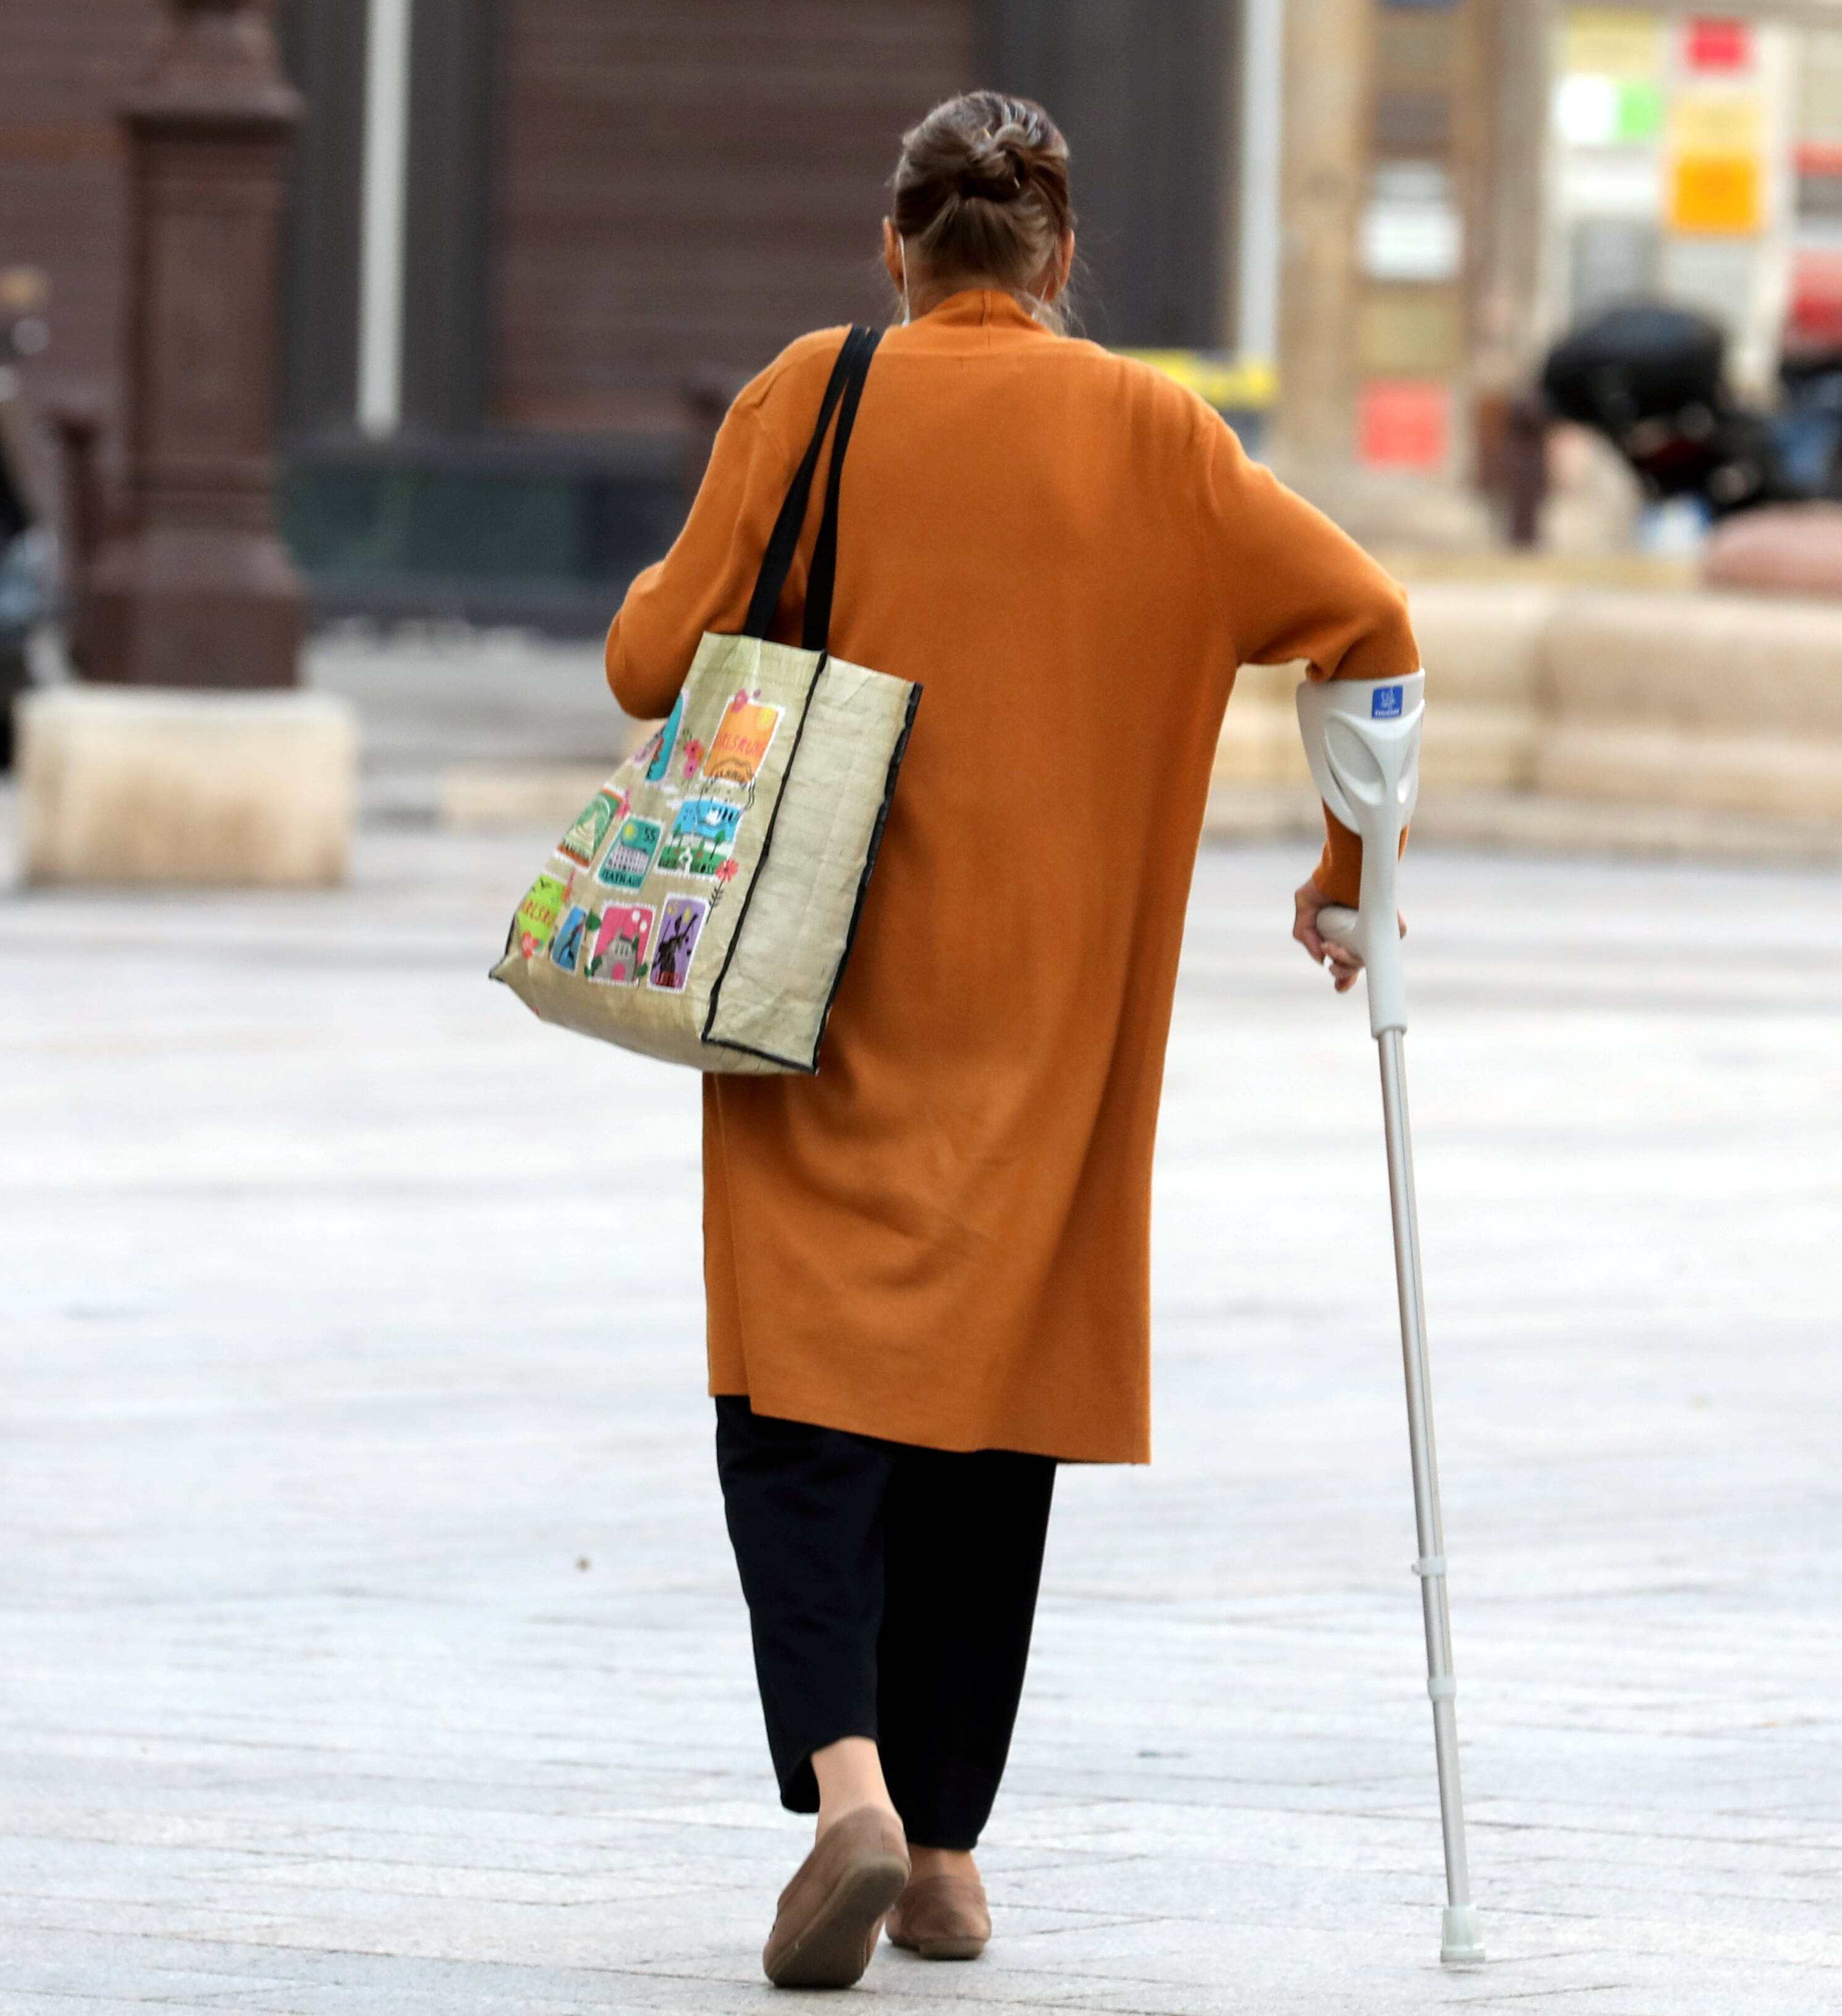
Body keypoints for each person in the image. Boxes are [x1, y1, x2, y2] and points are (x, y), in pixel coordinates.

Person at [604, 91, 1415, 1991]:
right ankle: (954, 1853)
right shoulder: (1152, 431)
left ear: (895, 246)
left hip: (813, 989)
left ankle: (852, 1789)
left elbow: (652, 664)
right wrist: (1336, 873)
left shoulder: (816, 389)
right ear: (1056, 261)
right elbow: (1367, 624)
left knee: (798, 1409)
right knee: (985, 1413)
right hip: (1056, 1018)